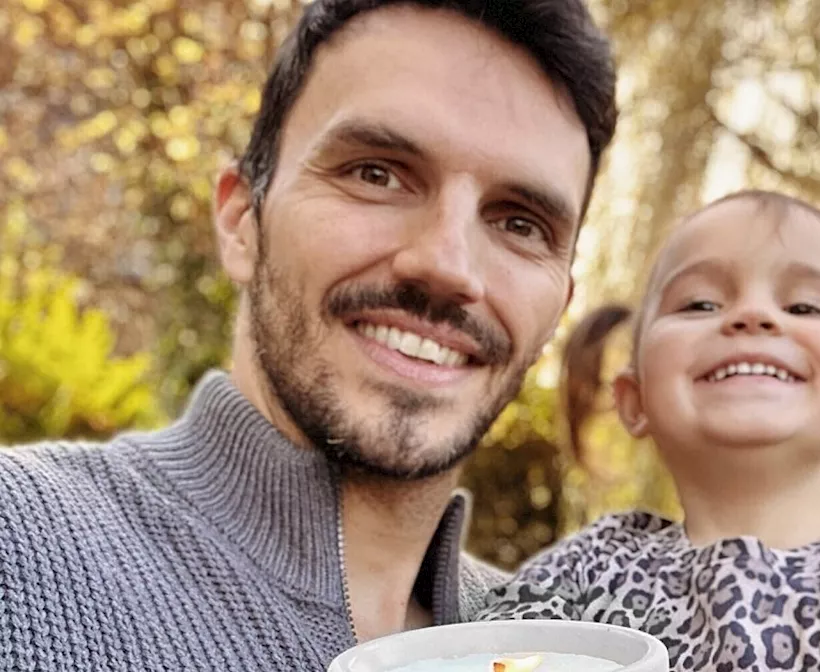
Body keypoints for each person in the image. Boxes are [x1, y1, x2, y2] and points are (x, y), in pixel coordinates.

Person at [0, 0, 617, 669]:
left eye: (521, 224)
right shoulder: (19, 549)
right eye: (376, 173)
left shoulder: (554, 646)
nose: (447, 265)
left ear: (559, 305)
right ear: (242, 219)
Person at [478, 190, 820, 671]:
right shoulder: (588, 567)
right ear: (635, 400)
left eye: (804, 306)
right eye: (700, 304)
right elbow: (480, 660)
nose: (752, 315)